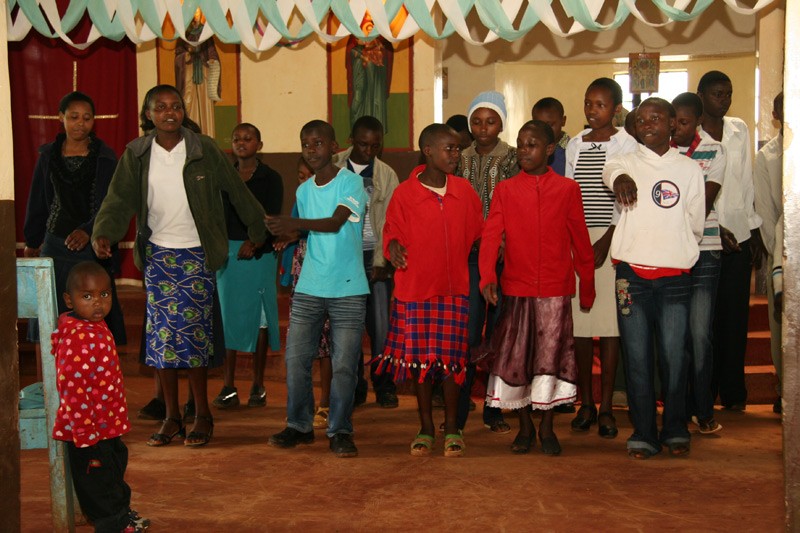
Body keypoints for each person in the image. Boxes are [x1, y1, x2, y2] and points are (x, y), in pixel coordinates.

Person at [92, 84, 268, 448]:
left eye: (175, 106)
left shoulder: (202, 150)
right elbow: (119, 198)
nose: (169, 113)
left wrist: (257, 229)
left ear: (183, 111)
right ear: (149, 114)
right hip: (157, 255)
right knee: (161, 339)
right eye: (160, 107)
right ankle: (172, 416)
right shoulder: (137, 153)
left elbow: (237, 190)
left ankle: (202, 414)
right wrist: (104, 232)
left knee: (192, 335)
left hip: (197, 254)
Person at [480, 120, 595, 455]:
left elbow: (580, 241)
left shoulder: (567, 190)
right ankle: (525, 427)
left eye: (531, 144)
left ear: (549, 150)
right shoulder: (506, 190)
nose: (523, 151)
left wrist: (586, 285)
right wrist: (487, 276)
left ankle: (547, 427)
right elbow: (491, 236)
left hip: (556, 292)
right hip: (517, 289)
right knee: (518, 360)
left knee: (550, 360)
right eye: (520, 144)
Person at [374, 123, 483, 457]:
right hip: (416, 291)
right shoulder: (405, 194)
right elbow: (390, 232)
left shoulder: (464, 191)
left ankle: (452, 428)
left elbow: (479, 233)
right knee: (420, 364)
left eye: (457, 149)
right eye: (449, 148)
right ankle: (424, 427)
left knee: (452, 363)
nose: (455, 154)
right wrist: (392, 248)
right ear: (428, 151)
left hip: (454, 290)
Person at [605, 98, 705, 459]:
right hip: (631, 278)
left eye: (656, 118)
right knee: (637, 357)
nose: (648, 124)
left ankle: (675, 428)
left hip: (675, 277)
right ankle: (644, 432)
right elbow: (610, 171)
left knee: (675, 356)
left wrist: (674, 248)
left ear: (673, 125)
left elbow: (696, 223)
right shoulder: (625, 162)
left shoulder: (689, 169)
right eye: (641, 119)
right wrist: (622, 179)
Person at [265, 120, 369, 458]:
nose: (312, 149)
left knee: (343, 364)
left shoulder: (351, 182)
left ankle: (339, 430)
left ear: (335, 146)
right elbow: (311, 232)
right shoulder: (304, 190)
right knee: (296, 360)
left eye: (318, 142)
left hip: (348, 287)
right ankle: (299, 425)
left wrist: (294, 223)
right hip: (310, 285)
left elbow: (336, 222)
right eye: (306, 143)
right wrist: (287, 234)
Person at [565, 77, 639, 438]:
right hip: (577, 240)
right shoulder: (574, 144)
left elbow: (627, 200)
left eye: (601, 104)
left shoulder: (628, 144)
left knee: (609, 326)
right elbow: (568, 193)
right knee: (580, 325)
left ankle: (608, 406)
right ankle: (585, 404)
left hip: (613, 239)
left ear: (616, 109)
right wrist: (576, 241)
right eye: (588, 103)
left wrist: (607, 239)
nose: (593, 110)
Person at [51, 261, 149, 532]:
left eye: (104, 295)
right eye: (87, 296)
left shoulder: (96, 325)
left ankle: (120, 512)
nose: (98, 303)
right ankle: (112, 524)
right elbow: (71, 390)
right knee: (99, 483)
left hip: (107, 424)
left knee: (115, 471)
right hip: (88, 432)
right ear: (69, 299)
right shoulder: (76, 338)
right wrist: (85, 434)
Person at [23, 91, 126, 345]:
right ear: (61, 118)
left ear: (94, 121)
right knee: (50, 316)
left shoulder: (104, 156)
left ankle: (93, 371)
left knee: (92, 315)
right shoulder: (48, 155)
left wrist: (88, 231)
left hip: (91, 247)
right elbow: (38, 199)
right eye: (73, 117)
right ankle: (51, 379)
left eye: (87, 118)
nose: (80, 123)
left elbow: (110, 203)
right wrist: (32, 239)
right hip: (54, 244)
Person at [698, 70, 764, 411]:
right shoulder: (688, 133)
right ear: (701, 96)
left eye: (728, 94)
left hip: (738, 237)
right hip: (703, 240)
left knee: (735, 318)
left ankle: (734, 393)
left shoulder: (739, 130)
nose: (723, 100)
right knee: (705, 321)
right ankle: (705, 393)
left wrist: (752, 229)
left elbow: (746, 182)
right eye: (717, 94)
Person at [457, 91, 519, 435]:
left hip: (501, 257)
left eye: (491, 121)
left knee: (499, 334)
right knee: (467, 332)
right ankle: (461, 404)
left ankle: (494, 407)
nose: (483, 128)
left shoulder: (512, 157)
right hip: (467, 257)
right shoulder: (459, 157)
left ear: (501, 124)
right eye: (477, 121)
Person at [212, 123, 283, 409]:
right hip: (228, 255)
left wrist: (254, 241)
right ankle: (228, 386)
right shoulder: (222, 176)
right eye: (237, 138)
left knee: (260, 318)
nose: (242, 143)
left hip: (259, 253)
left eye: (248, 138)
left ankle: (258, 385)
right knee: (227, 317)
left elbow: (271, 216)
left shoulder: (270, 177)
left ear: (259, 144)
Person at [332, 115, 400, 408]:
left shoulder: (387, 174)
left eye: (375, 146)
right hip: (344, 259)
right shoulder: (334, 166)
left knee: (381, 327)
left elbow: (392, 222)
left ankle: (383, 384)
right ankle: (355, 385)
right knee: (348, 325)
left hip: (375, 260)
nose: (369, 151)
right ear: (351, 140)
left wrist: (384, 260)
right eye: (363, 144)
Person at [671, 92, 727, 434]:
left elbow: (704, 202)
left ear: (698, 123)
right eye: (673, 120)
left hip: (704, 250)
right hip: (671, 254)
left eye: (684, 122)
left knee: (700, 334)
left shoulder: (715, 151)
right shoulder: (664, 152)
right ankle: (678, 407)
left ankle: (703, 409)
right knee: (674, 336)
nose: (677, 128)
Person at [279, 156, 334, 429]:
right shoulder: (300, 199)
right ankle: (302, 407)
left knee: (327, 346)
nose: (304, 181)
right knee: (302, 346)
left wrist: (298, 233)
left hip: (327, 277)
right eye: (300, 176)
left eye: (308, 176)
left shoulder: (331, 200)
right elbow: (291, 234)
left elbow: (327, 231)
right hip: (303, 280)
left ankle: (326, 401)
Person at [754, 91, 784, 414]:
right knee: (780, 324)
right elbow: (765, 209)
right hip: (781, 248)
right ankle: (782, 386)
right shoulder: (768, 156)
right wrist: (780, 264)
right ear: (775, 113)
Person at [174, 14, 221, 137]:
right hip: (189, 74)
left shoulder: (206, 35)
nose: (195, 20)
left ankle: (207, 133)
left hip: (203, 73)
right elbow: (178, 55)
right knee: (188, 101)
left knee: (205, 101)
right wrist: (186, 56)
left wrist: (212, 60)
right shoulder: (183, 35)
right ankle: (189, 134)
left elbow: (212, 53)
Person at [531, 97, 569, 176]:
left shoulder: (573, 148)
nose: (544, 130)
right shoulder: (531, 149)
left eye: (550, 125)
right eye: (538, 125)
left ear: (563, 120)